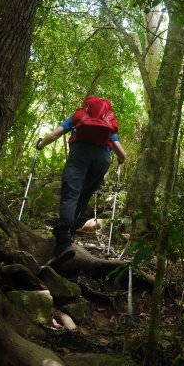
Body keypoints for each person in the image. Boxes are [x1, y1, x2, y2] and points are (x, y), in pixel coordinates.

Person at [37, 96, 127, 266]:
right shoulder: (105, 123)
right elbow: (122, 154)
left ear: (85, 106)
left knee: (71, 194)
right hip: (102, 159)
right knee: (84, 196)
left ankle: (63, 241)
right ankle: (70, 233)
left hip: (80, 153)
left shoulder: (78, 116)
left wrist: (40, 145)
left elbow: (55, 134)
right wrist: (121, 160)